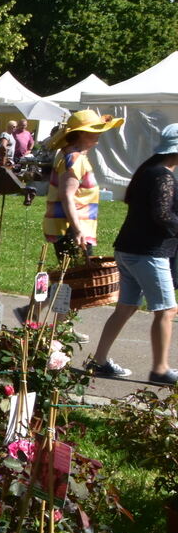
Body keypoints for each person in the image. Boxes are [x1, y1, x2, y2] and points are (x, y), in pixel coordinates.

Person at [24, 109, 125, 341]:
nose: (98, 135)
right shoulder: (74, 159)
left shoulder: (69, 155)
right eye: (94, 131)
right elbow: (67, 196)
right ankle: (56, 325)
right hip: (71, 229)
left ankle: (38, 315)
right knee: (72, 280)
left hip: (69, 227)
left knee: (65, 277)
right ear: (80, 134)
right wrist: (78, 230)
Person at [88, 124, 178, 383]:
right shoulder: (162, 175)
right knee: (167, 310)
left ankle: (99, 360)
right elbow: (162, 214)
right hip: (148, 253)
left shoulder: (148, 171)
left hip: (129, 249)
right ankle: (160, 369)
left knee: (126, 307)